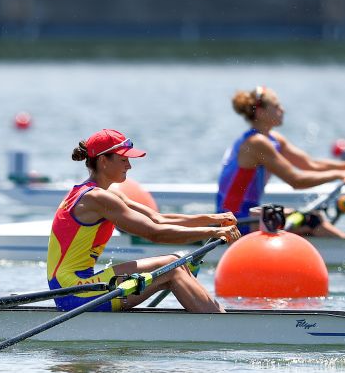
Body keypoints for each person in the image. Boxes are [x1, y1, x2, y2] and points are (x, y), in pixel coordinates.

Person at [47, 129, 240, 313]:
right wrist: (213, 232)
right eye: (123, 160)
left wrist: (213, 219)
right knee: (172, 265)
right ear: (103, 161)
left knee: (173, 266)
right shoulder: (96, 198)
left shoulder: (98, 194)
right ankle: (220, 324)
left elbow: (157, 218)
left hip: (76, 287)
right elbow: (154, 233)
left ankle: (214, 319)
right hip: (73, 291)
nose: (129, 166)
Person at [218, 86, 345, 238]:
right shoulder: (257, 143)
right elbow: (296, 180)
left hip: (251, 215)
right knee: (311, 220)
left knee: (309, 217)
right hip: (236, 221)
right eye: (276, 106)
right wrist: (341, 175)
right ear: (260, 112)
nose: (282, 110)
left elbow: (311, 164)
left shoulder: (273, 139)